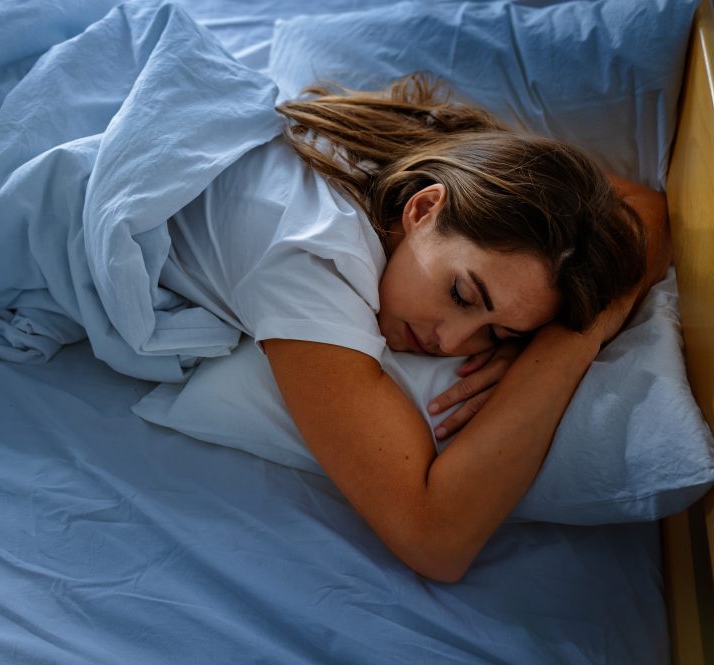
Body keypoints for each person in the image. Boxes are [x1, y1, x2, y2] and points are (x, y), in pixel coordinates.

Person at [161, 74, 670, 583]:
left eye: (499, 335)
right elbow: (435, 539)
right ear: (424, 208)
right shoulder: (310, 260)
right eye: (462, 295)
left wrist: (565, 319)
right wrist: (573, 341)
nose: (451, 342)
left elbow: (645, 209)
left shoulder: (444, 162)